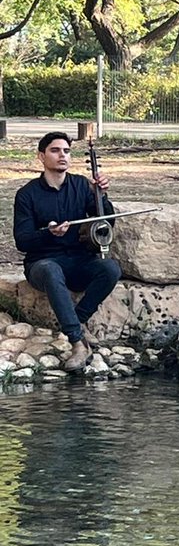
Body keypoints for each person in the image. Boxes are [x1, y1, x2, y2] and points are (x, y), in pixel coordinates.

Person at [13, 131, 122, 371]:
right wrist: (48, 234)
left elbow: (105, 224)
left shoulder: (82, 185)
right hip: (42, 263)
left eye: (66, 151)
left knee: (110, 268)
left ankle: (77, 321)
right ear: (41, 156)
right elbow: (22, 241)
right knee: (51, 270)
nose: (62, 155)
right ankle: (77, 342)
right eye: (55, 150)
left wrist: (101, 195)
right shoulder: (27, 194)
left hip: (78, 261)